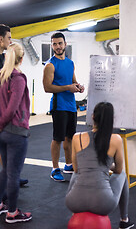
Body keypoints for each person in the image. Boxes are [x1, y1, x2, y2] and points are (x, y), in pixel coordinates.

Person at [65, 102, 134, 229]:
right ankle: (124, 220)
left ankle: (77, 213)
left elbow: (76, 169)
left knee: (77, 172)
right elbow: (118, 170)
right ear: (111, 120)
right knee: (123, 174)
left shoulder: (77, 137)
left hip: (73, 202)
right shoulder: (116, 139)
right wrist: (107, 166)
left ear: (93, 117)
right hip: (103, 204)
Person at [0, 42, 32, 223]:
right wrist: (2, 123)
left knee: (6, 169)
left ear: (6, 57)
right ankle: (12, 212)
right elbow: (13, 108)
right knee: (14, 173)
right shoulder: (18, 78)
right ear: (21, 58)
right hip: (15, 132)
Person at [0, 24, 28, 200]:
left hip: (7, 114)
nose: (10, 41)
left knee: (4, 149)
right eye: (9, 38)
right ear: (0, 39)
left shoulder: (4, 57)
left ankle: (11, 176)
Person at [43, 32, 85, 182]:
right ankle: (55, 169)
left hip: (71, 106)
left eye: (60, 43)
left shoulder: (70, 63)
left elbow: (73, 81)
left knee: (70, 138)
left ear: (65, 44)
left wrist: (79, 87)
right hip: (58, 105)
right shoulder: (50, 65)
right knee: (58, 138)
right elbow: (47, 87)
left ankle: (68, 164)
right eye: (54, 44)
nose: (57, 46)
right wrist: (68, 87)